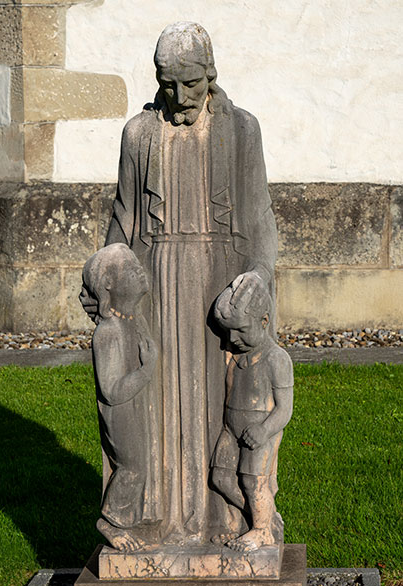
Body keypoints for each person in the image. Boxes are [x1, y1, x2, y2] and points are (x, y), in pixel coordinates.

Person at [81, 22, 278, 545]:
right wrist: (102, 280)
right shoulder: (138, 135)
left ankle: (225, 522)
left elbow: (260, 224)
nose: (179, 96)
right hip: (156, 290)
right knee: (160, 410)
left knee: (218, 409)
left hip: (220, 286)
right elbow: (123, 220)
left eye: (190, 84)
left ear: (210, 76)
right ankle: (158, 523)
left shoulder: (241, 131)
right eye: (168, 84)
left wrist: (259, 278)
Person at [81, 244, 160, 551]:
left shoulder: (130, 320)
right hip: (121, 413)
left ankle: (129, 521)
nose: (140, 272)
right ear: (109, 285)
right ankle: (110, 522)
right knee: (132, 466)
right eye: (131, 270)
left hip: (135, 407)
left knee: (140, 463)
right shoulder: (108, 332)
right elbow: (111, 392)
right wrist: (146, 370)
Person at [211, 275, 294, 552]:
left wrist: (264, 430)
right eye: (228, 332)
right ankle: (263, 518)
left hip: (260, 431)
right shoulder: (233, 353)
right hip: (231, 428)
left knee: (252, 481)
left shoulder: (276, 359)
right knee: (221, 478)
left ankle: (262, 531)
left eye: (241, 331)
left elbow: (285, 408)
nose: (233, 339)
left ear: (264, 321)